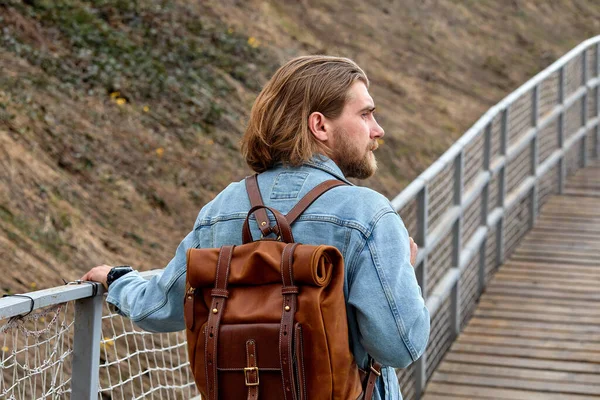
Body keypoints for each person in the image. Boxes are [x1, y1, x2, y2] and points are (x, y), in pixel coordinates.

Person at [82, 55, 430, 400]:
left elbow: (157, 308)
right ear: (320, 125)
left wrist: (116, 280)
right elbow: (400, 346)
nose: (377, 129)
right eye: (365, 114)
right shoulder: (369, 214)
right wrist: (403, 272)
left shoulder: (221, 209)